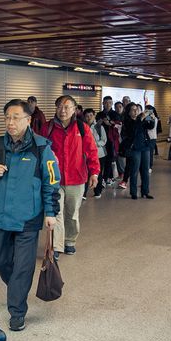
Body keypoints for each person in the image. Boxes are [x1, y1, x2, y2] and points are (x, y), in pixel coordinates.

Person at [0, 99, 60, 331]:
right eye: (7, 117)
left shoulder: (41, 148)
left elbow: (52, 182)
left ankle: (17, 311)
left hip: (29, 218)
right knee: (0, 261)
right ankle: (17, 288)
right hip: (0, 216)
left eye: (16, 117)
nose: (10, 122)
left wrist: (50, 212)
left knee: (23, 267)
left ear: (28, 120)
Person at [42, 95, 99, 258]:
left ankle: (70, 241)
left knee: (72, 214)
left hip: (77, 178)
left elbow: (92, 151)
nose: (63, 110)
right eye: (60, 106)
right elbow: (40, 151)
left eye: (67, 107)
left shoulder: (82, 128)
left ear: (74, 109)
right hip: (54, 179)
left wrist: (94, 172)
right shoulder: (48, 128)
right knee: (56, 212)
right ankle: (56, 247)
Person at [120, 103, 155, 200]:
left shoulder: (141, 119)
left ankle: (145, 191)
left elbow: (150, 126)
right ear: (128, 112)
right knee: (134, 171)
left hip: (145, 147)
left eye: (136, 109)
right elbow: (133, 130)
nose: (135, 111)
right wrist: (141, 118)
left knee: (145, 171)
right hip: (134, 148)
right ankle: (134, 192)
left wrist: (151, 118)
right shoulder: (128, 121)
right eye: (133, 110)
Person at [96, 96, 122, 186]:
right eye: (106, 102)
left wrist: (111, 123)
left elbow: (119, 126)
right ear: (103, 103)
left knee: (109, 159)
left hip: (111, 140)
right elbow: (95, 126)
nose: (108, 104)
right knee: (102, 160)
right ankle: (104, 178)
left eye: (110, 103)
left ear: (112, 103)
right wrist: (100, 122)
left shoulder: (115, 114)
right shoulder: (99, 114)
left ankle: (106, 178)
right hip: (101, 140)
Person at [84, 108, 107, 199]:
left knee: (98, 173)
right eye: (87, 116)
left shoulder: (99, 127)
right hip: (86, 154)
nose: (89, 117)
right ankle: (84, 193)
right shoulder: (82, 126)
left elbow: (104, 140)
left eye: (91, 115)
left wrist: (94, 144)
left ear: (94, 116)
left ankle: (97, 191)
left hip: (99, 154)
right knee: (86, 173)